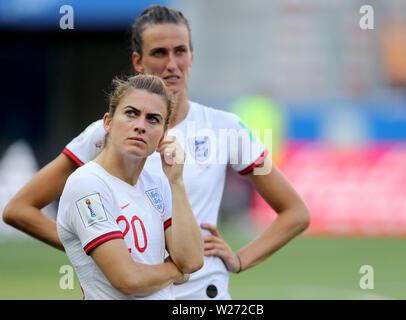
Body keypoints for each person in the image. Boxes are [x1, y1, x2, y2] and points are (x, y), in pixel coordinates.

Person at [3, 5, 310, 300]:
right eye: (159, 53)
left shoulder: (227, 128)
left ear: (192, 56)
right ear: (138, 61)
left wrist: (240, 259)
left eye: (180, 51)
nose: (172, 64)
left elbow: (295, 212)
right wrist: (94, 247)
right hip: (134, 290)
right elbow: (20, 208)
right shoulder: (107, 132)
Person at [57, 74, 203, 299]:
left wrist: (176, 181)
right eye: (131, 113)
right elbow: (128, 280)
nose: (140, 126)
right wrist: (176, 270)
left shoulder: (158, 182)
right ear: (108, 122)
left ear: (163, 135)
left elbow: (192, 260)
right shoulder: (87, 184)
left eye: (153, 119)